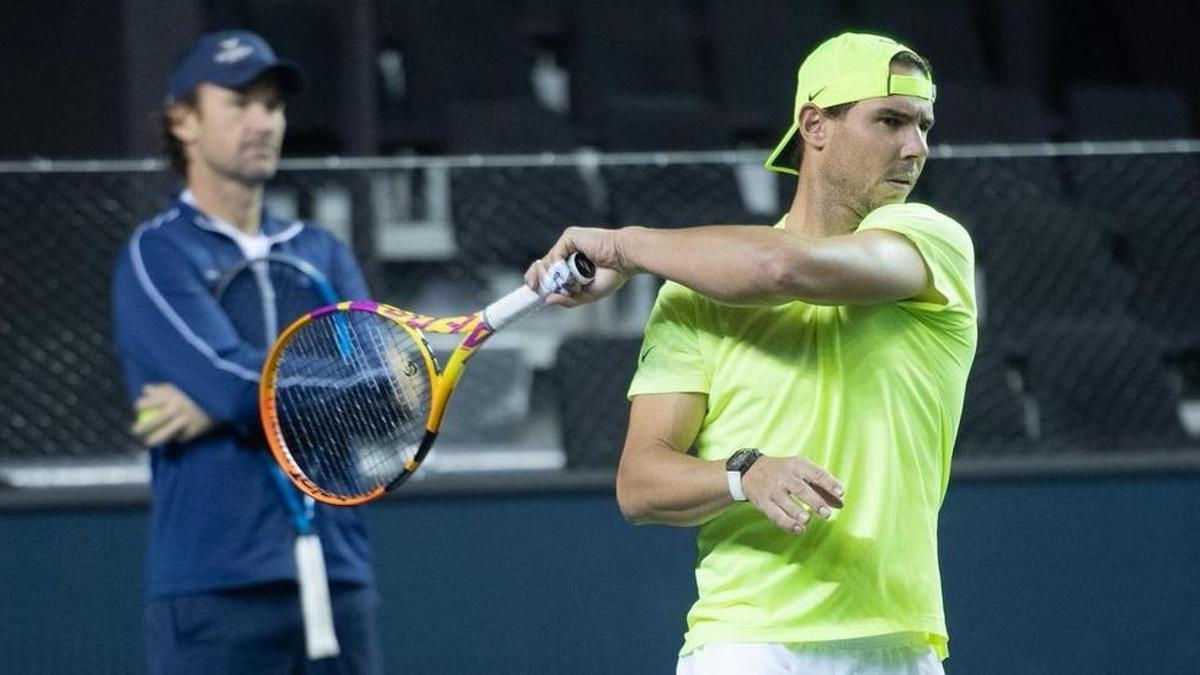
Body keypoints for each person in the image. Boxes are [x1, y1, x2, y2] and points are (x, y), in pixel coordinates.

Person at [528, 32, 975, 674]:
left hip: (898, 645)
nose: (917, 147)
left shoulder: (932, 244)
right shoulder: (693, 294)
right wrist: (744, 473)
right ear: (815, 125)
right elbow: (640, 484)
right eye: (891, 120)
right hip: (746, 648)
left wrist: (622, 248)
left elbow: (776, 268)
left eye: (924, 126)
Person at [112, 30, 381, 674]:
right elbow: (236, 383)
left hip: (338, 574)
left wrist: (218, 406)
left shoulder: (322, 252)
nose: (264, 121)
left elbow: (384, 385)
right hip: (214, 588)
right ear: (184, 121)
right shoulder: (158, 254)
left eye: (273, 106)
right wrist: (245, 395)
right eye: (239, 103)